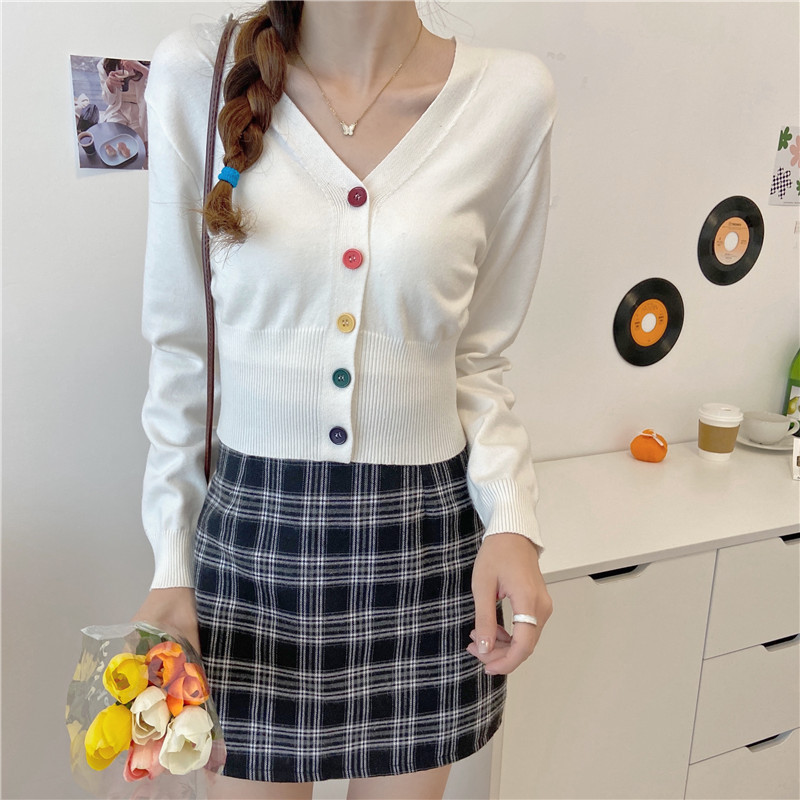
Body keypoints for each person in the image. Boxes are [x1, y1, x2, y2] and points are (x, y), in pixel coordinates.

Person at [133, 2, 555, 798]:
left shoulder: (511, 96)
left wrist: (511, 520)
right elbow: (182, 351)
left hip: (427, 551)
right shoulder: (197, 75)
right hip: (252, 555)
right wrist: (170, 561)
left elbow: (478, 356)